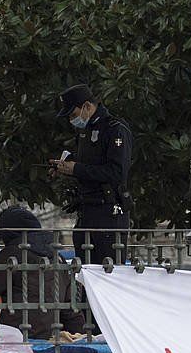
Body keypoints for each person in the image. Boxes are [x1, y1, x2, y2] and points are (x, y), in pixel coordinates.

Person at [48, 84, 132, 265]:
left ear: (87, 106)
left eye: (73, 114)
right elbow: (89, 163)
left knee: (108, 272)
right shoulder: (85, 131)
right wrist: (65, 165)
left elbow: (116, 172)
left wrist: (76, 169)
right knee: (84, 272)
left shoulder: (115, 129)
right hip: (87, 210)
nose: (72, 120)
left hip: (109, 211)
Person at [0, 205, 87, 340]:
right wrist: (82, 338)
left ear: (7, 234)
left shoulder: (11, 256)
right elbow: (70, 310)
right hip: (50, 337)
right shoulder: (57, 258)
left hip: (15, 337)